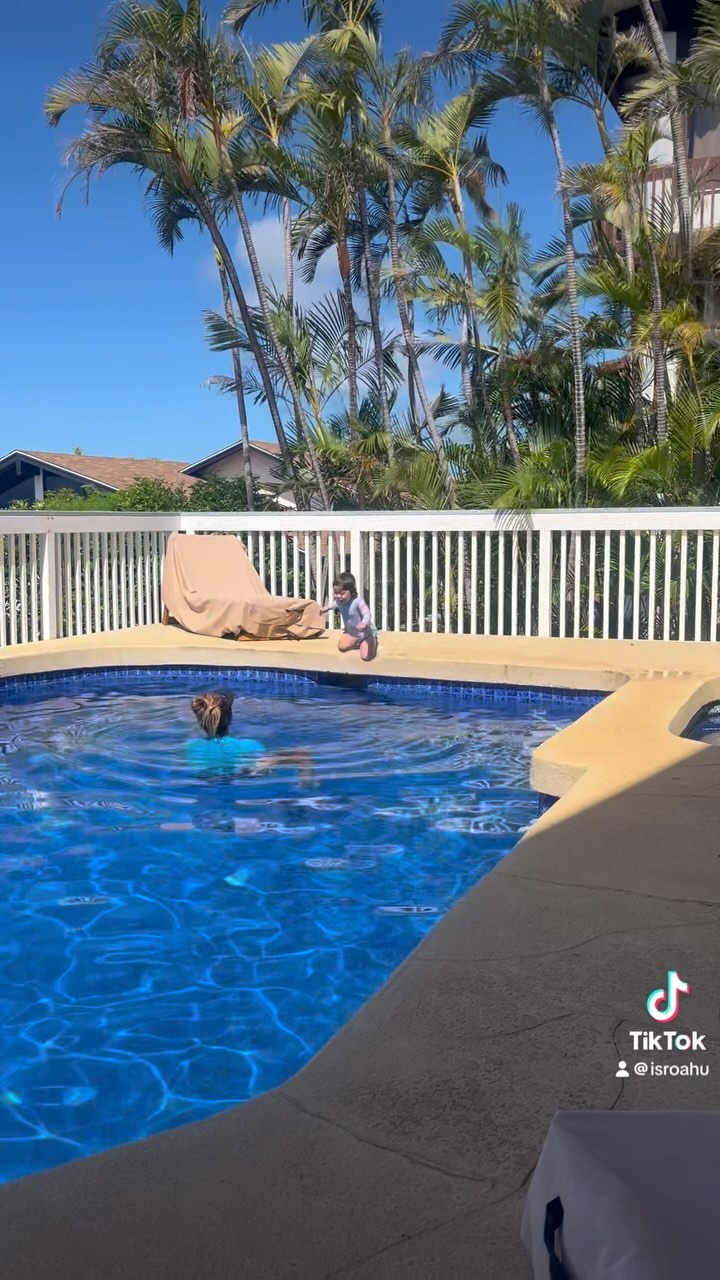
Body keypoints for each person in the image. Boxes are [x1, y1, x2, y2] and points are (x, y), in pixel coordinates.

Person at [186, 692, 313, 784]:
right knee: (265, 763)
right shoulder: (250, 745)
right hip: (243, 776)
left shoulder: (189, 747)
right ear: (230, 718)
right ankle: (305, 778)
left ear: (200, 722)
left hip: (208, 781)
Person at [322, 572, 378, 662]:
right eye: (336, 593)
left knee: (366, 657)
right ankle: (358, 642)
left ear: (351, 591)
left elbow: (367, 614)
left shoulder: (357, 601)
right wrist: (324, 609)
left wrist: (364, 623)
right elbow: (333, 605)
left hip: (366, 633)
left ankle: (372, 640)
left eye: (342, 593)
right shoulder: (339, 602)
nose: (339, 596)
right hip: (353, 633)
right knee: (342, 647)